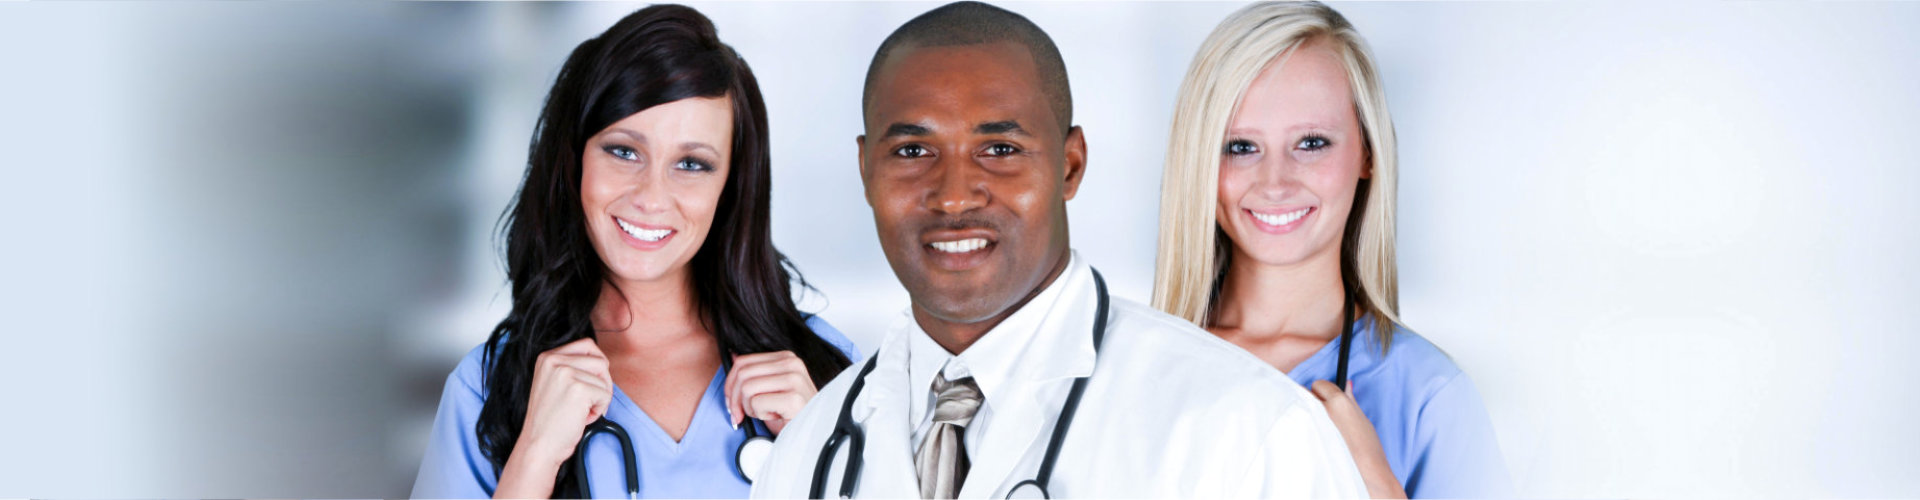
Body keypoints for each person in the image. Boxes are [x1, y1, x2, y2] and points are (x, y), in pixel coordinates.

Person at [750, 2, 1365, 498]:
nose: (954, 196)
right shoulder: (807, 455)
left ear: (1071, 166)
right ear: (865, 170)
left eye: (1001, 149)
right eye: (913, 152)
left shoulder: (1247, 427)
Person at [411, 5, 856, 498]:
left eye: (691, 163)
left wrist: (821, 453)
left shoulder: (827, 376)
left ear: (730, 187)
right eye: (624, 151)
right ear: (574, 158)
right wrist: (535, 454)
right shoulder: (486, 390)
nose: (651, 197)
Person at [1151, 2, 1512, 498]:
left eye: (1313, 142)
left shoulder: (1428, 394)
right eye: (1240, 147)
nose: (1275, 182)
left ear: (1367, 152)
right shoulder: (1132, 370)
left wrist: (1376, 482)